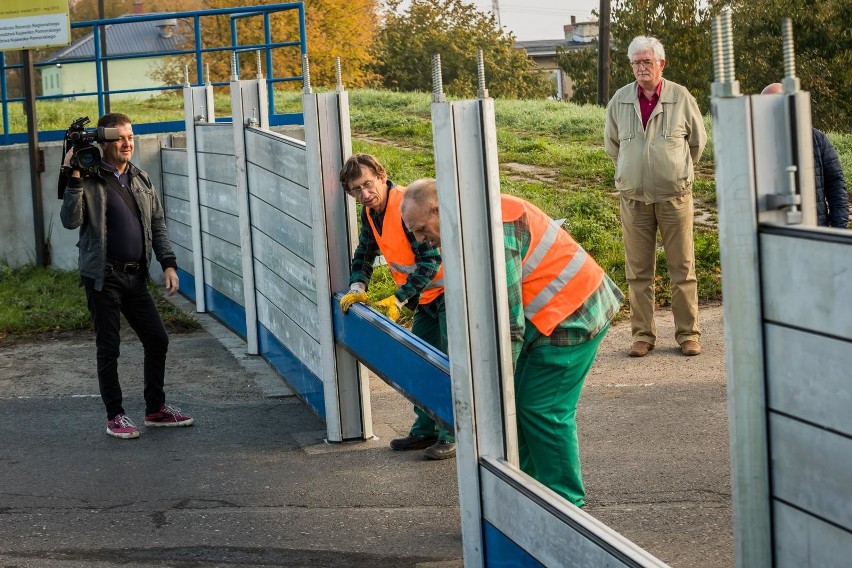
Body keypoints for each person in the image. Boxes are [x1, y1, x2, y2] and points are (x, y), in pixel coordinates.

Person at [400, 179, 623, 507]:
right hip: (550, 314)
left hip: (573, 311)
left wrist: (495, 379)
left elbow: (508, 322)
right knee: (518, 411)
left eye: (421, 229)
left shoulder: (493, 231)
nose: (421, 239)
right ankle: (527, 500)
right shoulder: (466, 222)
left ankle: (566, 507)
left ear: (438, 209)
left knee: (541, 408)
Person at [60, 112, 193, 440]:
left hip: (136, 278)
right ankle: (115, 415)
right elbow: (70, 220)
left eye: (130, 137)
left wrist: (169, 264)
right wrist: (74, 174)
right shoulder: (90, 179)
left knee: (157, 339)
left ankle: (155, 409)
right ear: (103, 144)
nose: (127, 143)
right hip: (102, 277)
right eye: (119, 138)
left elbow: (157, 223)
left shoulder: (140, 178)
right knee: (109, 347)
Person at [337, 154, 455, 460]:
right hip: (425, 298)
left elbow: (431, 262)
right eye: (355, 190)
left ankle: (452, 433)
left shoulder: (407, 208)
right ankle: (425, 429)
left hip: (450, 294)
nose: (364, 194)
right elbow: (365, 251)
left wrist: (399, 298)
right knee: (420, 362)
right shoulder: (371, 212)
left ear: (381, 175)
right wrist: (358, 286)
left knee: (445, 365)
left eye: (367, 184)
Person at [605, 35, 707, 358]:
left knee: (683, 267)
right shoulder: (619, 101)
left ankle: (688, 334)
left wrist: (675, 170)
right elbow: (613, 145)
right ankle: (642, 335)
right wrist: (633, 170)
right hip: (634, 198)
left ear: (661, 64)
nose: (641, 68)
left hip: (674, 196)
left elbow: (697, 142)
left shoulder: (681, 97)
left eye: (647, 62)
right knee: (638, 271)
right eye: (636, 63)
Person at [761, 82, 849, 228]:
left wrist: (839, 229)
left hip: (814, 229)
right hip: (773, 233)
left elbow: (836, 186)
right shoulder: (756, 144)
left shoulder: (816, 139)